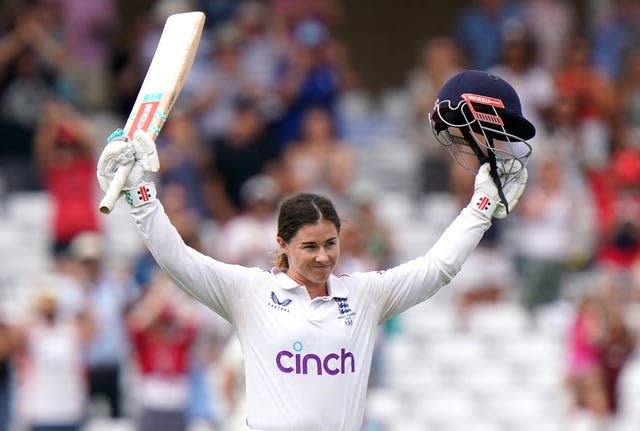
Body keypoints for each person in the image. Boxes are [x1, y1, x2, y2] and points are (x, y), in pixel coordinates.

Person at [96, 70, 532, 430]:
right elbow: (178, 259)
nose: (323, 256)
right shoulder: (248, 293)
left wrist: (480, 207)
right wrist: (140, 195)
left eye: (330, 244)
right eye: (309, 246)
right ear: (282, 245)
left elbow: (438, 267)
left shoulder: (364, 296)